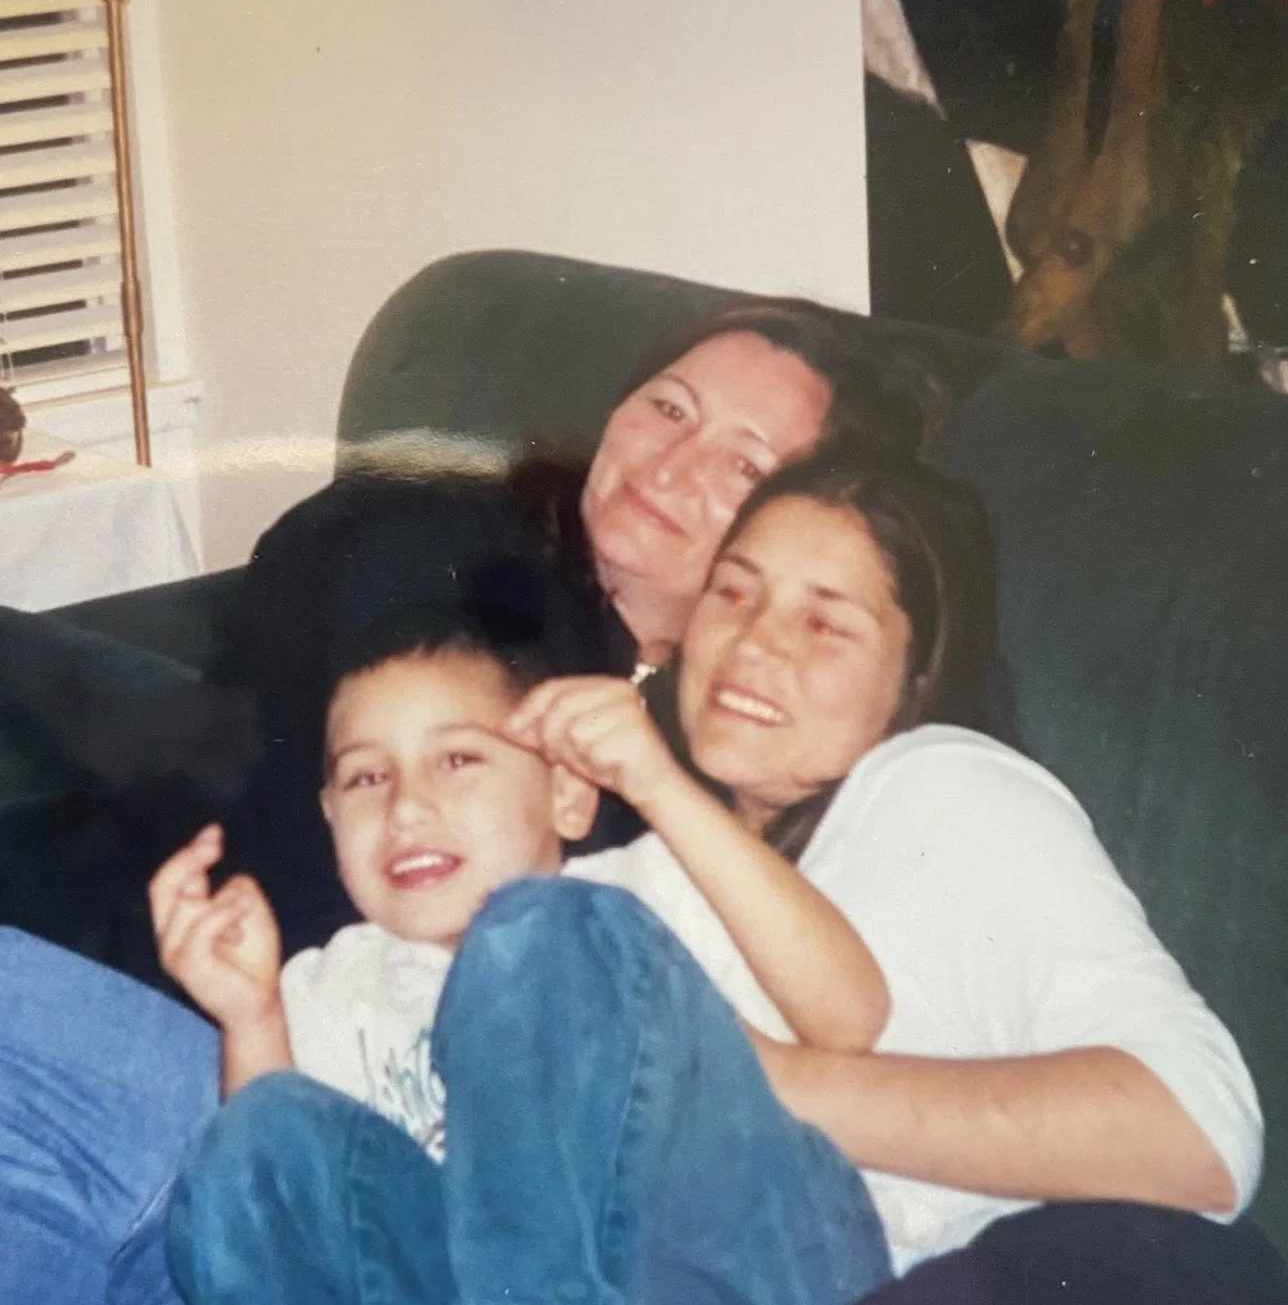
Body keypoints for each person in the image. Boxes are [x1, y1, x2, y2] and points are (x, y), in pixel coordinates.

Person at [0, 298, 932, 1305]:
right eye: (667, 408)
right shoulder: (457, 555)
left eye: (742, 462)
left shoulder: (708, 776)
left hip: (237, 1110)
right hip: (195, 1049)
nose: (670, 465)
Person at [163, 452, 1262, 1305]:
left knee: (542, 938)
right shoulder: (642, 868)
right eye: (731, 596)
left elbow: (1206, 1134)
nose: (751, 643)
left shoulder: (939, 785)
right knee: (253, 1147)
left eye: (823, 620)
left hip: (818, 1257)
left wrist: (698, 1064)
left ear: (917, 669)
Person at [152, 575, 894, 1305]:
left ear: (567, 791)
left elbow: (848, 1014)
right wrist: (249, 1016)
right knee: (254, 1135)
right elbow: (290, 1212)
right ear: (330, 819)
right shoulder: (333, 988)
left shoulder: (642, 893)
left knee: (534, 932)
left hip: (740, 1266)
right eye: (367, 777)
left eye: (458, 759)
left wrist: (658, 782)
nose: (407, 807)